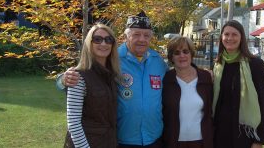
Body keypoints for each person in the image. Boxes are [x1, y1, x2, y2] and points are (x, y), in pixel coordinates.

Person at [57, 11, 168, 147]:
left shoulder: (159, 62)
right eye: (136, 34)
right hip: (122, 140)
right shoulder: (113, 58)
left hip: (154, 138)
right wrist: (62, 80)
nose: (142, 39)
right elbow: (88, 75)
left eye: (146, 35)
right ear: (126, 36)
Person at [212, 20, 264, 148]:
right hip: (220, 132)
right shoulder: (218, 64)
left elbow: (263, 103)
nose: (229, 38)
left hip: (244, 134)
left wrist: (259, 140)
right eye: (226, 34)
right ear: (221, 38)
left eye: (234, 34)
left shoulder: (255, 65)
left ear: (241, 38)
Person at [64, 23, 121, 148]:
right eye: (97, 39)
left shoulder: (111, 75)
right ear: (89, 43)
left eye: (108, 39)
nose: (103, 44)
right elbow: (73, 124)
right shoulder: (78, 77)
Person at [162, 36, 213, 148]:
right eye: (177, 52)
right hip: (173, 142)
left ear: (191, 54)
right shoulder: (166, 80)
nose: (182, 56)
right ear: (171, 57)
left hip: (202, 142)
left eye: (186, 51)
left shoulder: (206, 78)